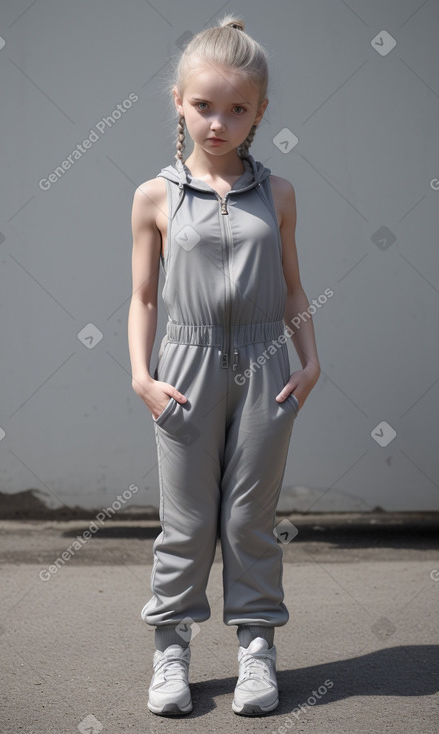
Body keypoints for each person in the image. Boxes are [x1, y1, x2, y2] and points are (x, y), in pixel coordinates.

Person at [128, 14, 321, 717]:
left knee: (248, 519)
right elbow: (143, 295)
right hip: (183, 364)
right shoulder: (155, 196)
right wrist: (141, 377)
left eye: (237, 108)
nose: (219, 122)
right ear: (178, 101)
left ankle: (255, 649)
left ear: (259, 112)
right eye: (204, 105)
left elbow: (294, 285)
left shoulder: (279, 194)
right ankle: (171, 651)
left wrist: (310, 361)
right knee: (186, 522)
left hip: (270, 363)